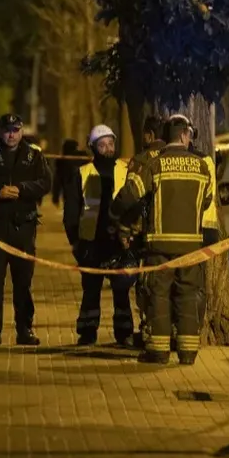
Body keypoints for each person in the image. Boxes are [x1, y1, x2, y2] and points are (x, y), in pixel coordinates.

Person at [109, 115, 216, 365]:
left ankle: (159, 351)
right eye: (189, 134)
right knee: (188, 295)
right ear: (182, 135)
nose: (190, 139)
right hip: (191, 245)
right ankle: (188, 353)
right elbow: (208, 200)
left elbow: (130, 194)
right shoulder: (201, 166)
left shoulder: (155, 165)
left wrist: (115, 216)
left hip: (159, 245)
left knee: (159, 294)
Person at [0, 113, 53, 347]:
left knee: (23, 280)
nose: (11, 135)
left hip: (23, 226)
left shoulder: (34, 154)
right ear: (0, 131)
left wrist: (22, 189)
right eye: (7, 130)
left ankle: (25, 329)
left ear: (21, 131)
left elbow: (46, 182)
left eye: (15, 130)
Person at [63, 124, 136, 346]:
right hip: (92, 243)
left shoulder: (126, 170)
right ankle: (87, 332)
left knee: (122, 291)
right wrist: (75, 243)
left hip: (120, 242)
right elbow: (71, 212)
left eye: (110, 144)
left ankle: (124, 333)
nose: (107, 149)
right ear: (93, 148)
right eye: (102, 145)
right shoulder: (83, 173)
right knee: (91, 292)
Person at [121, 115, 168, 348]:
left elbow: (130, 199)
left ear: (149, 135)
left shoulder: (141, 161)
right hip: (179, 234)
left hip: (147, 233)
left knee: (148, 284)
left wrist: (120, 225)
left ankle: (149, 331)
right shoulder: (175, 159)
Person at [52, 139, 87, 206]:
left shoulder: (62, 161)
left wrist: (55, 197)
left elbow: (57, 180)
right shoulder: (82, 157)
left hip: (70, 192)